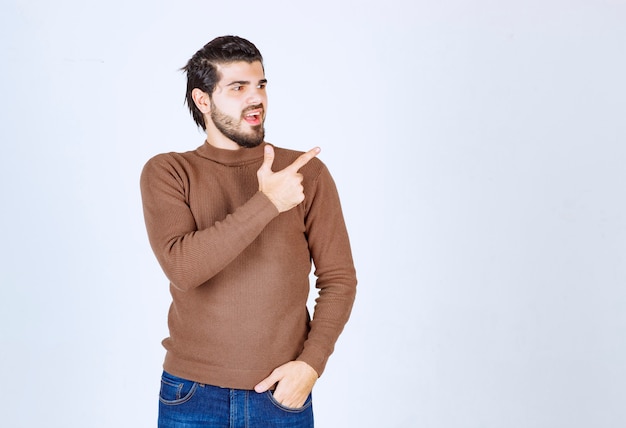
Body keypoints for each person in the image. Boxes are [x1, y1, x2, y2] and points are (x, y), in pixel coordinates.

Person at [140, 35, 357, 427]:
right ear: (203, 100)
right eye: (237, 88)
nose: (255, 98)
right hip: (191, 395)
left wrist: (310, 365)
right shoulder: (169, 171)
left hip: (281, 395)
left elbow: (339, 279)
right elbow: (184, 268)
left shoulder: (304, 172)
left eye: (260, 85)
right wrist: (267, 202)